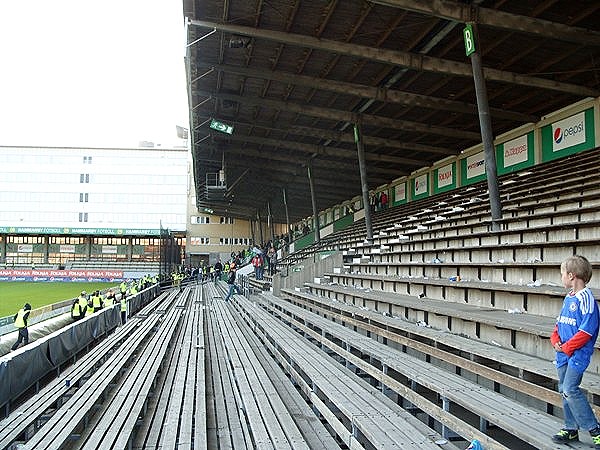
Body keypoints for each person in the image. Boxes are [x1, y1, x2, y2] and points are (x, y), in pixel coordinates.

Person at [550, 255, 600, 447]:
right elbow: (560, 323)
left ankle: (594, 429)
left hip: (577, 353)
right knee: (564, 389)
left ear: (571, 276)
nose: (561, 277)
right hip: (562, 352)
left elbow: (587, 330)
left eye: (562, 274)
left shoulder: (586, 299)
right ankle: (571, 429)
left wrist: (568, 347)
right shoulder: (568, 297)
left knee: (571, 389)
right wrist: (555, 339)